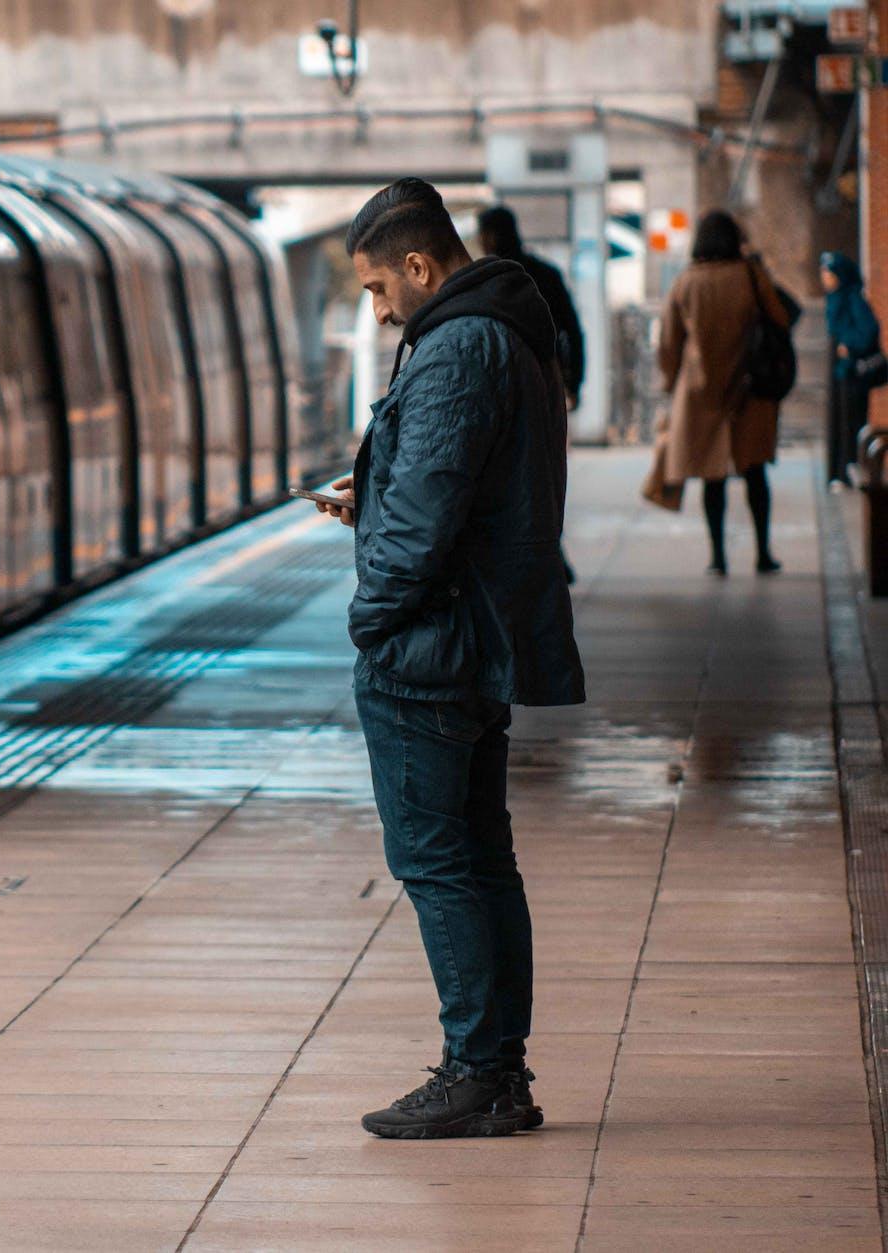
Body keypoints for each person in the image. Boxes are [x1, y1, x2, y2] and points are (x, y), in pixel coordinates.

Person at [313, 178, 585, 1139]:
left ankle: (478, 1071)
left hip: (428, 651)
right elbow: (453, 487)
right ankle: (497, 1071)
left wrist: (370, 622)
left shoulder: (456, 346)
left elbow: (426, 523)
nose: (380, 309)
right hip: (470, 639)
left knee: (440, 863)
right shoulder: (500, 326)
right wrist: (373, 491)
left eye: (382, 290)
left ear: (422, 266)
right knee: (481, 858)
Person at [649, 210, 790, 575]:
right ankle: (762, 553)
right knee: (755, 471)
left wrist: (669, 382)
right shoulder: (749, 275)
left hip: (700, 391)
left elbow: (668, 343)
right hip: (748, 387)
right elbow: (781, 319)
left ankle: (718, 558)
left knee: (713, 477)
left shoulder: (685, 283)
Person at [477, 204, 585, 586]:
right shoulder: (544, 274)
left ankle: (540, 553)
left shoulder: (483, 283)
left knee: (508, 474)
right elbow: (573, 329)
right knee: (545, 472)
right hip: (545, 386)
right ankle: (551, 550)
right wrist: (575, 384)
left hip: (499, 390)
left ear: (486, 236)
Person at [822, 251, 879, 489]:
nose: (824, 278)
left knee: (851, 422)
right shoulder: (835, 298)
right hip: (839, 372)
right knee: (838, 421)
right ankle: (838, 472)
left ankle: (848, 471)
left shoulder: (852, 298)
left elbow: (869, 330)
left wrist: (849, 344)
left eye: (828, 273)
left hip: (852, 372)